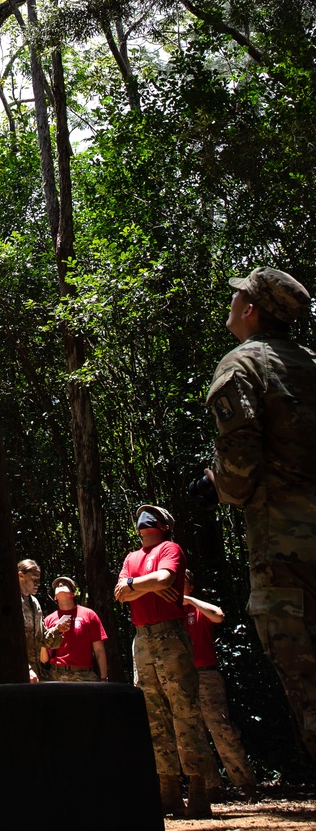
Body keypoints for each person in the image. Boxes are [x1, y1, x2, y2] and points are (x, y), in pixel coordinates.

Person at [195, 265, 316, 761]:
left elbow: (241, 463)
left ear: (250, 310)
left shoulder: (244, 364)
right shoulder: (310, 362)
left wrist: (214, 485)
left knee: (307, 685)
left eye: (236, 296)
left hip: (284, 550)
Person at [114, 504, 214, 818]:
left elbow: (165, 577)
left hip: (171, 636)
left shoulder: (170, 548)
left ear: (163, 525)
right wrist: (144, 586)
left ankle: (198, 791)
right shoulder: (131, 557)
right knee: (152, 715)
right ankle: (168, 791)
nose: (144, 519)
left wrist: (138, 585)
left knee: (184, 709)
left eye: (150, 515)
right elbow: (120, 593)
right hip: (141, 639)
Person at [183, 570, 257, 799]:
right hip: (183, 678)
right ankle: (210, 787)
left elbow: (218, 616)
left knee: (221, 729)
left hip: (206, 675)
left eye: (181, 582)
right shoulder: (168, 612)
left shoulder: (198, 607)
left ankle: (245, 784)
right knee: (193, 733)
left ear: (190, 586)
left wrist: (190, 601)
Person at [44, 576, 109, 682]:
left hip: (85, 676)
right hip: (56, 675)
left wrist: (104, 678)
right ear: (55, 597)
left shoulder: (89, 615)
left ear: (73, 594)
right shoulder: (48, 620)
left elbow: (99, 650)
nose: (60, 585)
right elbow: (44, 655)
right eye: (57, 585)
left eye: (64, 584)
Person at [17, 559, 70, 682]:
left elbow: (43, 640)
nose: (38, 583)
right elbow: (6, 643)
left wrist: (58, 629)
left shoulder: (34, 603)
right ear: (20, 576)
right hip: (18, 672)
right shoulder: (11, 602)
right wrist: (26, 669)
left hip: (37, 673)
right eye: (34, 579)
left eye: (39, 579)